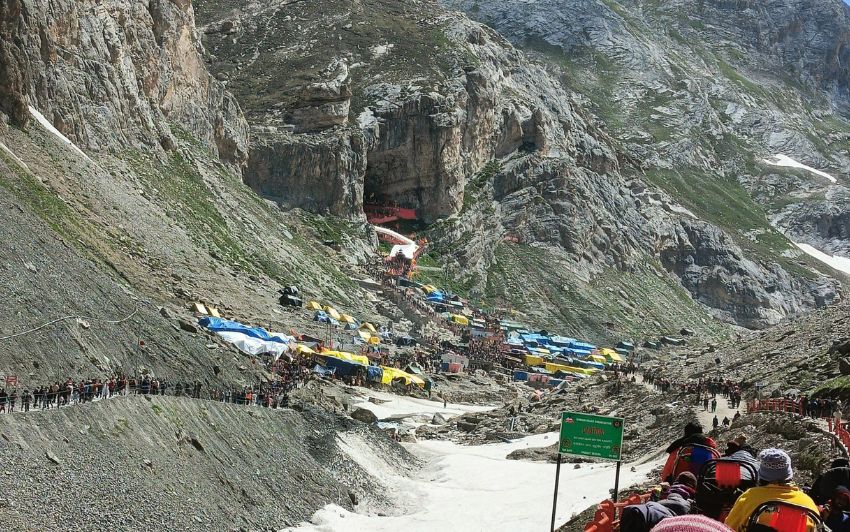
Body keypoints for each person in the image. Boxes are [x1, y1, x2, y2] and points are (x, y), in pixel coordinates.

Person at [724, 448, 819, 531]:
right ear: (789, 475)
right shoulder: (808, 503)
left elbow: (728, 528)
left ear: (761, 476)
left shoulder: (749, 498)